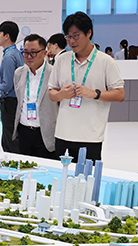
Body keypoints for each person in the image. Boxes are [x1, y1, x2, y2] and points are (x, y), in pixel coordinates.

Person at [48, 12, 125, 162]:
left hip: (91, 136)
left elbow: (120, 94)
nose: (72, 41)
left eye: (76, 36)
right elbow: (52, 93)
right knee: (62, 174)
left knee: (88, 175)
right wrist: (61, 95)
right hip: (63, 134)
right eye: (68, 37)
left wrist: (94, 94)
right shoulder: (62, 60)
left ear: (89, 33)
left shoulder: (106, 61)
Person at [12, 34, 58, 160]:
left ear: (44, 53)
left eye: (33, 52)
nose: (28, 56)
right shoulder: (18, 73)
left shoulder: (54, 73)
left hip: (45, 133)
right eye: (25, 52)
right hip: (24, 131)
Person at [0, 21, 24, 154]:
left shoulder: (9, 56)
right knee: (13, 135)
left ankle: (11, 161)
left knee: (9, 137)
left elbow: (7, 84)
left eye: (0, 33)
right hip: (16, 101)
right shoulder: (16, 53)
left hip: (10, 102)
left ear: (7, 36)